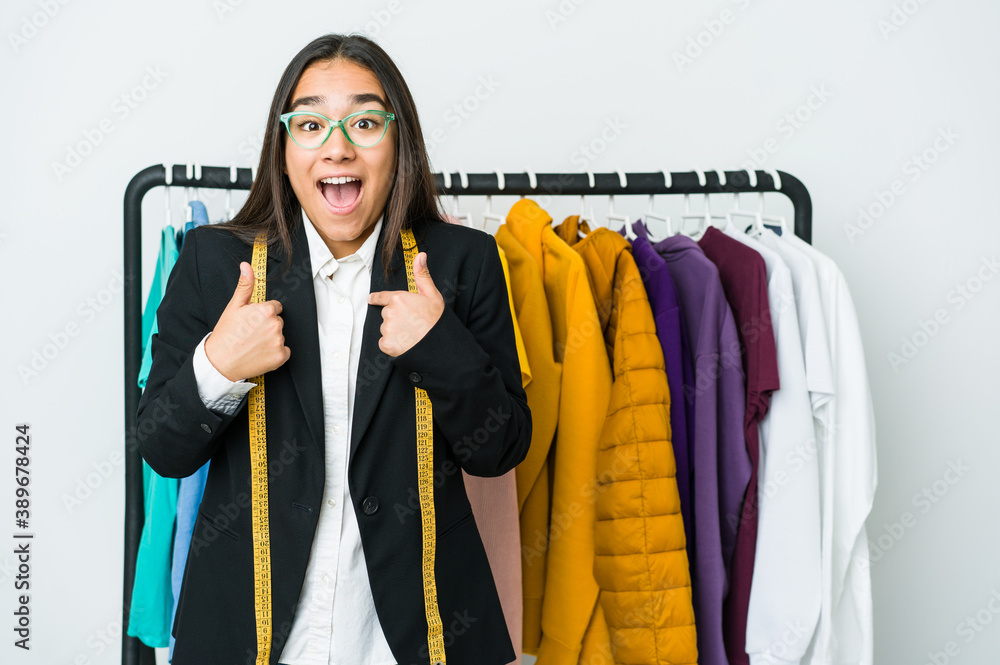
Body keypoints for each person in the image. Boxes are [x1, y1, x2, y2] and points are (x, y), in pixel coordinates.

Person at [135, 33, 532, 665]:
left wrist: (440, 346)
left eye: (366, 122)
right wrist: (218, 368)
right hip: (249, 632)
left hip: (419, 635)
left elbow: (501, 449)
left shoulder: (464, 261)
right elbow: (161, 446)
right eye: (313, 123)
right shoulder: (215, 261)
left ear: (399, 142)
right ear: (283, 146)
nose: (338, 146)